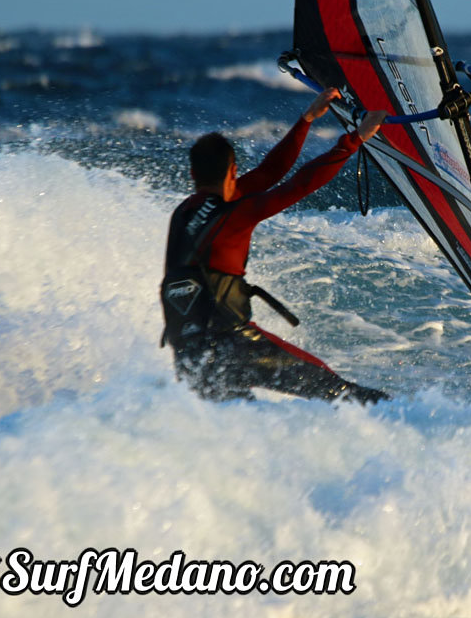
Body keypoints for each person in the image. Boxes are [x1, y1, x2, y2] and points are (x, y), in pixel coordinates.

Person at [162, 88, 389, 404]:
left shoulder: (183, 214)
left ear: (192, 174)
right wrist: (355, 139)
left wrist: (307, 119)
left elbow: (269, 174)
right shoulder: (235, 214)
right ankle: (405, 423)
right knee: (337, 391)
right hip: (236, 347)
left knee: (235, 426)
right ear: (232, 172)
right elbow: (299, 184)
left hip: (189, 359)